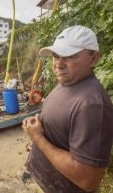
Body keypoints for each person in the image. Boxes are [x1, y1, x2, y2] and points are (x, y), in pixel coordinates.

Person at [22, 25, 113, 193]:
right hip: (43, 180)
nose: (59, 64)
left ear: (93, 59)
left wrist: (38, 138)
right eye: (56, 56)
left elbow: (88, 180)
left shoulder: (92, 105)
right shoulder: (68, 81)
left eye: (69, 56)